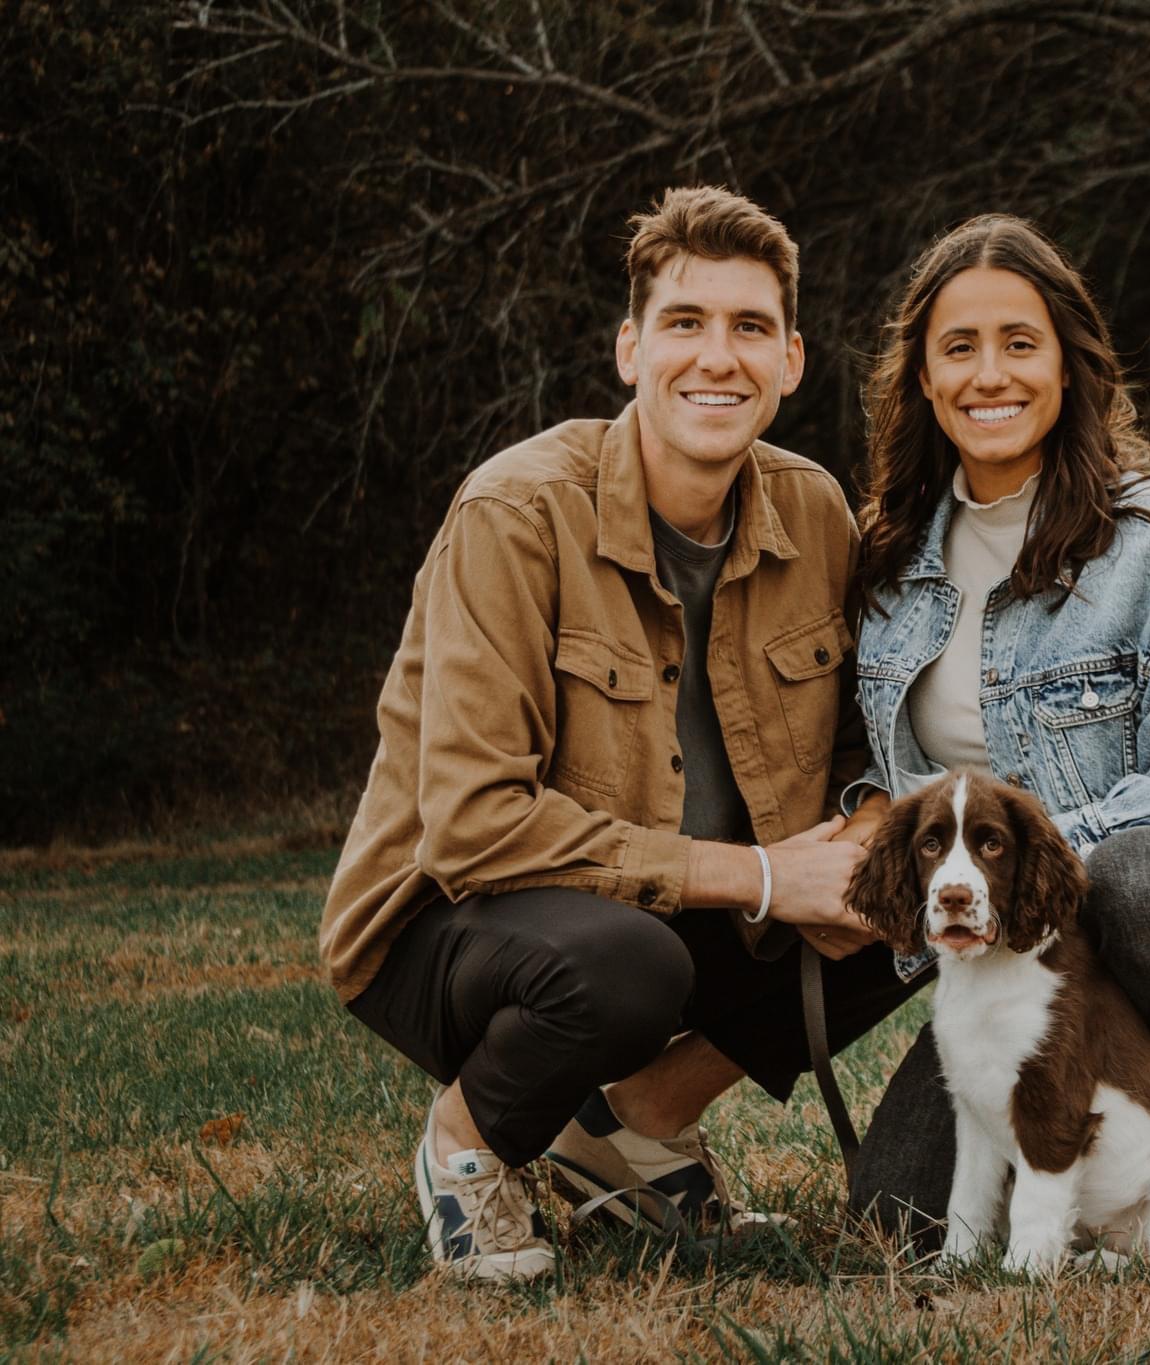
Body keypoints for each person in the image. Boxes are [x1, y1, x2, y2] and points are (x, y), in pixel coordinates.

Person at [318, 186, 907, 1282]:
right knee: (625, 964)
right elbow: (473, 826)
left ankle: (631, 1128)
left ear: (790, 361)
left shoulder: (815, 511)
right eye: (684, 323)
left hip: (682, 909)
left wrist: (866, 829)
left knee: (927, 879)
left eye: (749, 327)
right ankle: (469, 1142)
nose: (716, 357)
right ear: (630, 349)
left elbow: (853, 750)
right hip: (446, 924)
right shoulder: (515, 513)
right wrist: (765, 879)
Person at [838, 214, 1150, 1268]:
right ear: (923, 378)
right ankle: (1106, 1220)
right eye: (959, 347)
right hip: (1021, 969)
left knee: (1139, 869)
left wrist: (1049, 848)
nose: (990, 374)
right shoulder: (888, 566)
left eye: (1020, 343)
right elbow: (874, 769)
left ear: (1068, 366)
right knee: (898, 1216)